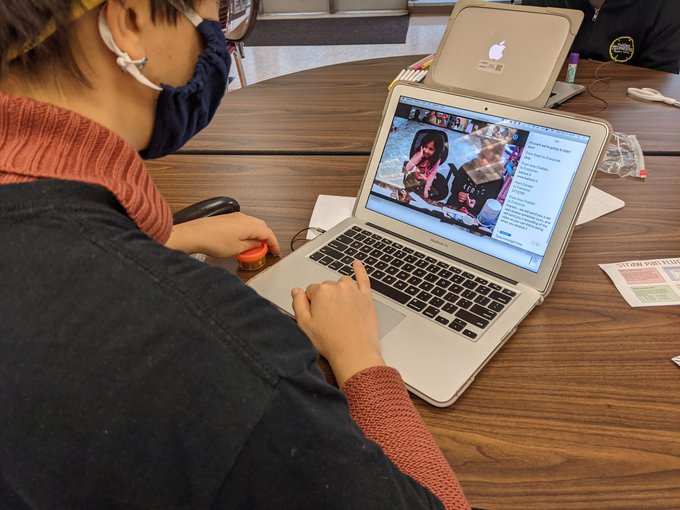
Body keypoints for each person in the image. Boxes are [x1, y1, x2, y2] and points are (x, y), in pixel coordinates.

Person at [0, 1, 471, 509]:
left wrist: (171, 236)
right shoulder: (212, 345)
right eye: (220, 13)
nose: (220, 42)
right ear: (131, 19)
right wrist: (359, 357)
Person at [522, 0, 680, 74]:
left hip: (625, 112)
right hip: (545, 103)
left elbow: (656, 85)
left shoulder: (666, 8)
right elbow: (521, 57)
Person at [446, 138, 505, 217]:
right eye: (482, 156)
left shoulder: (497, 180)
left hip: (473, 216)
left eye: (489, 159)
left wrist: (474, 203)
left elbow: (488, 203)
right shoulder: (467, 166)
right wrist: (459, 194)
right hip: (453, 207)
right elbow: (454, 187)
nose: (483, 161)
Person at [402, 131, 448, 201]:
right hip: (417, 178)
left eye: (431, 149)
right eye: (425, 147)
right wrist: (419, 156)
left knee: (436, 194)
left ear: (436, 150)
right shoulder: (418, 154)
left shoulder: (437, 159)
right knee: (413, 195)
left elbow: (432, 174)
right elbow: (408, 168)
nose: (426, 151)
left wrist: (426, 189)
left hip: (428, 180)